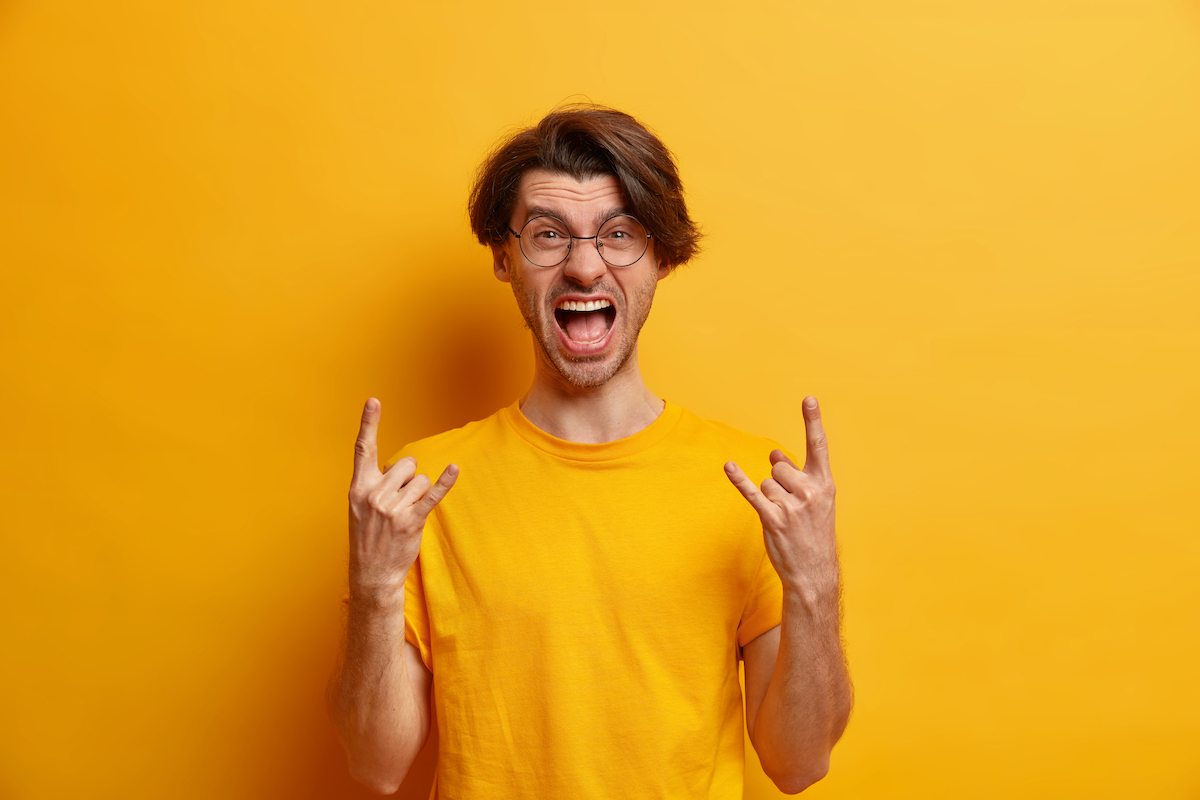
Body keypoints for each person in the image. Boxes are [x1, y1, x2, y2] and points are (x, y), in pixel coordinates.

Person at [330, 105, 852, 798]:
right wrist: (372, 589)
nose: (583, 266)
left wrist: (816, 585)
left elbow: (800, 762)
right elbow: (376, 764)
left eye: (619, 234)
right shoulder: (420, 493)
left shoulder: (757, 487)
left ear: (661, 256)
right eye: (549, 234)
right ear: (503, 257)